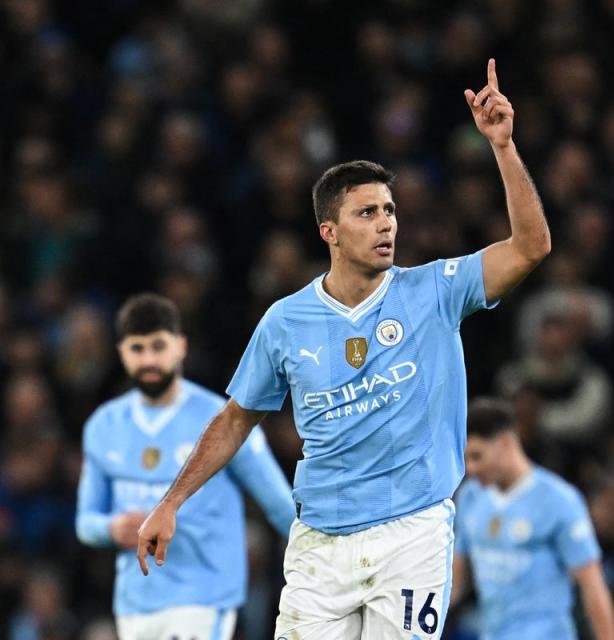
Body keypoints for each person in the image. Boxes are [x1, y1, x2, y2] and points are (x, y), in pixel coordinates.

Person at [136, 58, 551, 639]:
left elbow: (531, 247)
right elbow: (235, 419)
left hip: (412, 534)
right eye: (367, 213)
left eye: (389, 210)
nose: (386, 224)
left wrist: (503, 147)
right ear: (329, 231)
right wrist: (171, 501)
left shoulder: (435, 289)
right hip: (320, 543)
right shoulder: (285, 322)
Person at [76, 293, 295, 639]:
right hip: (135, 602)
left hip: (204, 596)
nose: (149, 359)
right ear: (121, 352)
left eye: (158, 347)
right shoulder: (103, 426)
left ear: (180, 346)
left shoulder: (222, 422)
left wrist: (327, 559)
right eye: (137, 349)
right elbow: (85, 522)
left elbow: (280, 505)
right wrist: (112, 528)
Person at [451, 397, 614, 639]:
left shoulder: (559, 500)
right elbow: (455, 583)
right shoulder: (469, 498)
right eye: (466, 459)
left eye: (477, 456)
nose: (471, 468)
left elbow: (592, 585)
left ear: (506, 444)